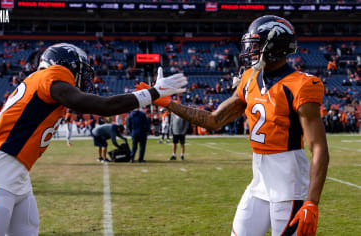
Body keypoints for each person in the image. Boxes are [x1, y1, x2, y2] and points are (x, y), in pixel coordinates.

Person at [0, 43, 187, 235]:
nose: (84, 78)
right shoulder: (51, 75)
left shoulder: (41, 84)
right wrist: (152, 93)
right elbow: (104, 106)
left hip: (18, 173)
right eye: (82, 71)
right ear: (65, 64)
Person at [138, 15, 329, 236]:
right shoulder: (250, 78)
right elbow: (214, 120)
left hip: (290, 186)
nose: (251, 52)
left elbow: (319, 148)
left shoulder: (302, 85)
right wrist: (167, 102)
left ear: (276, 45)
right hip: (260, 182)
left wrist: (312, 201)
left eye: (257, 46)